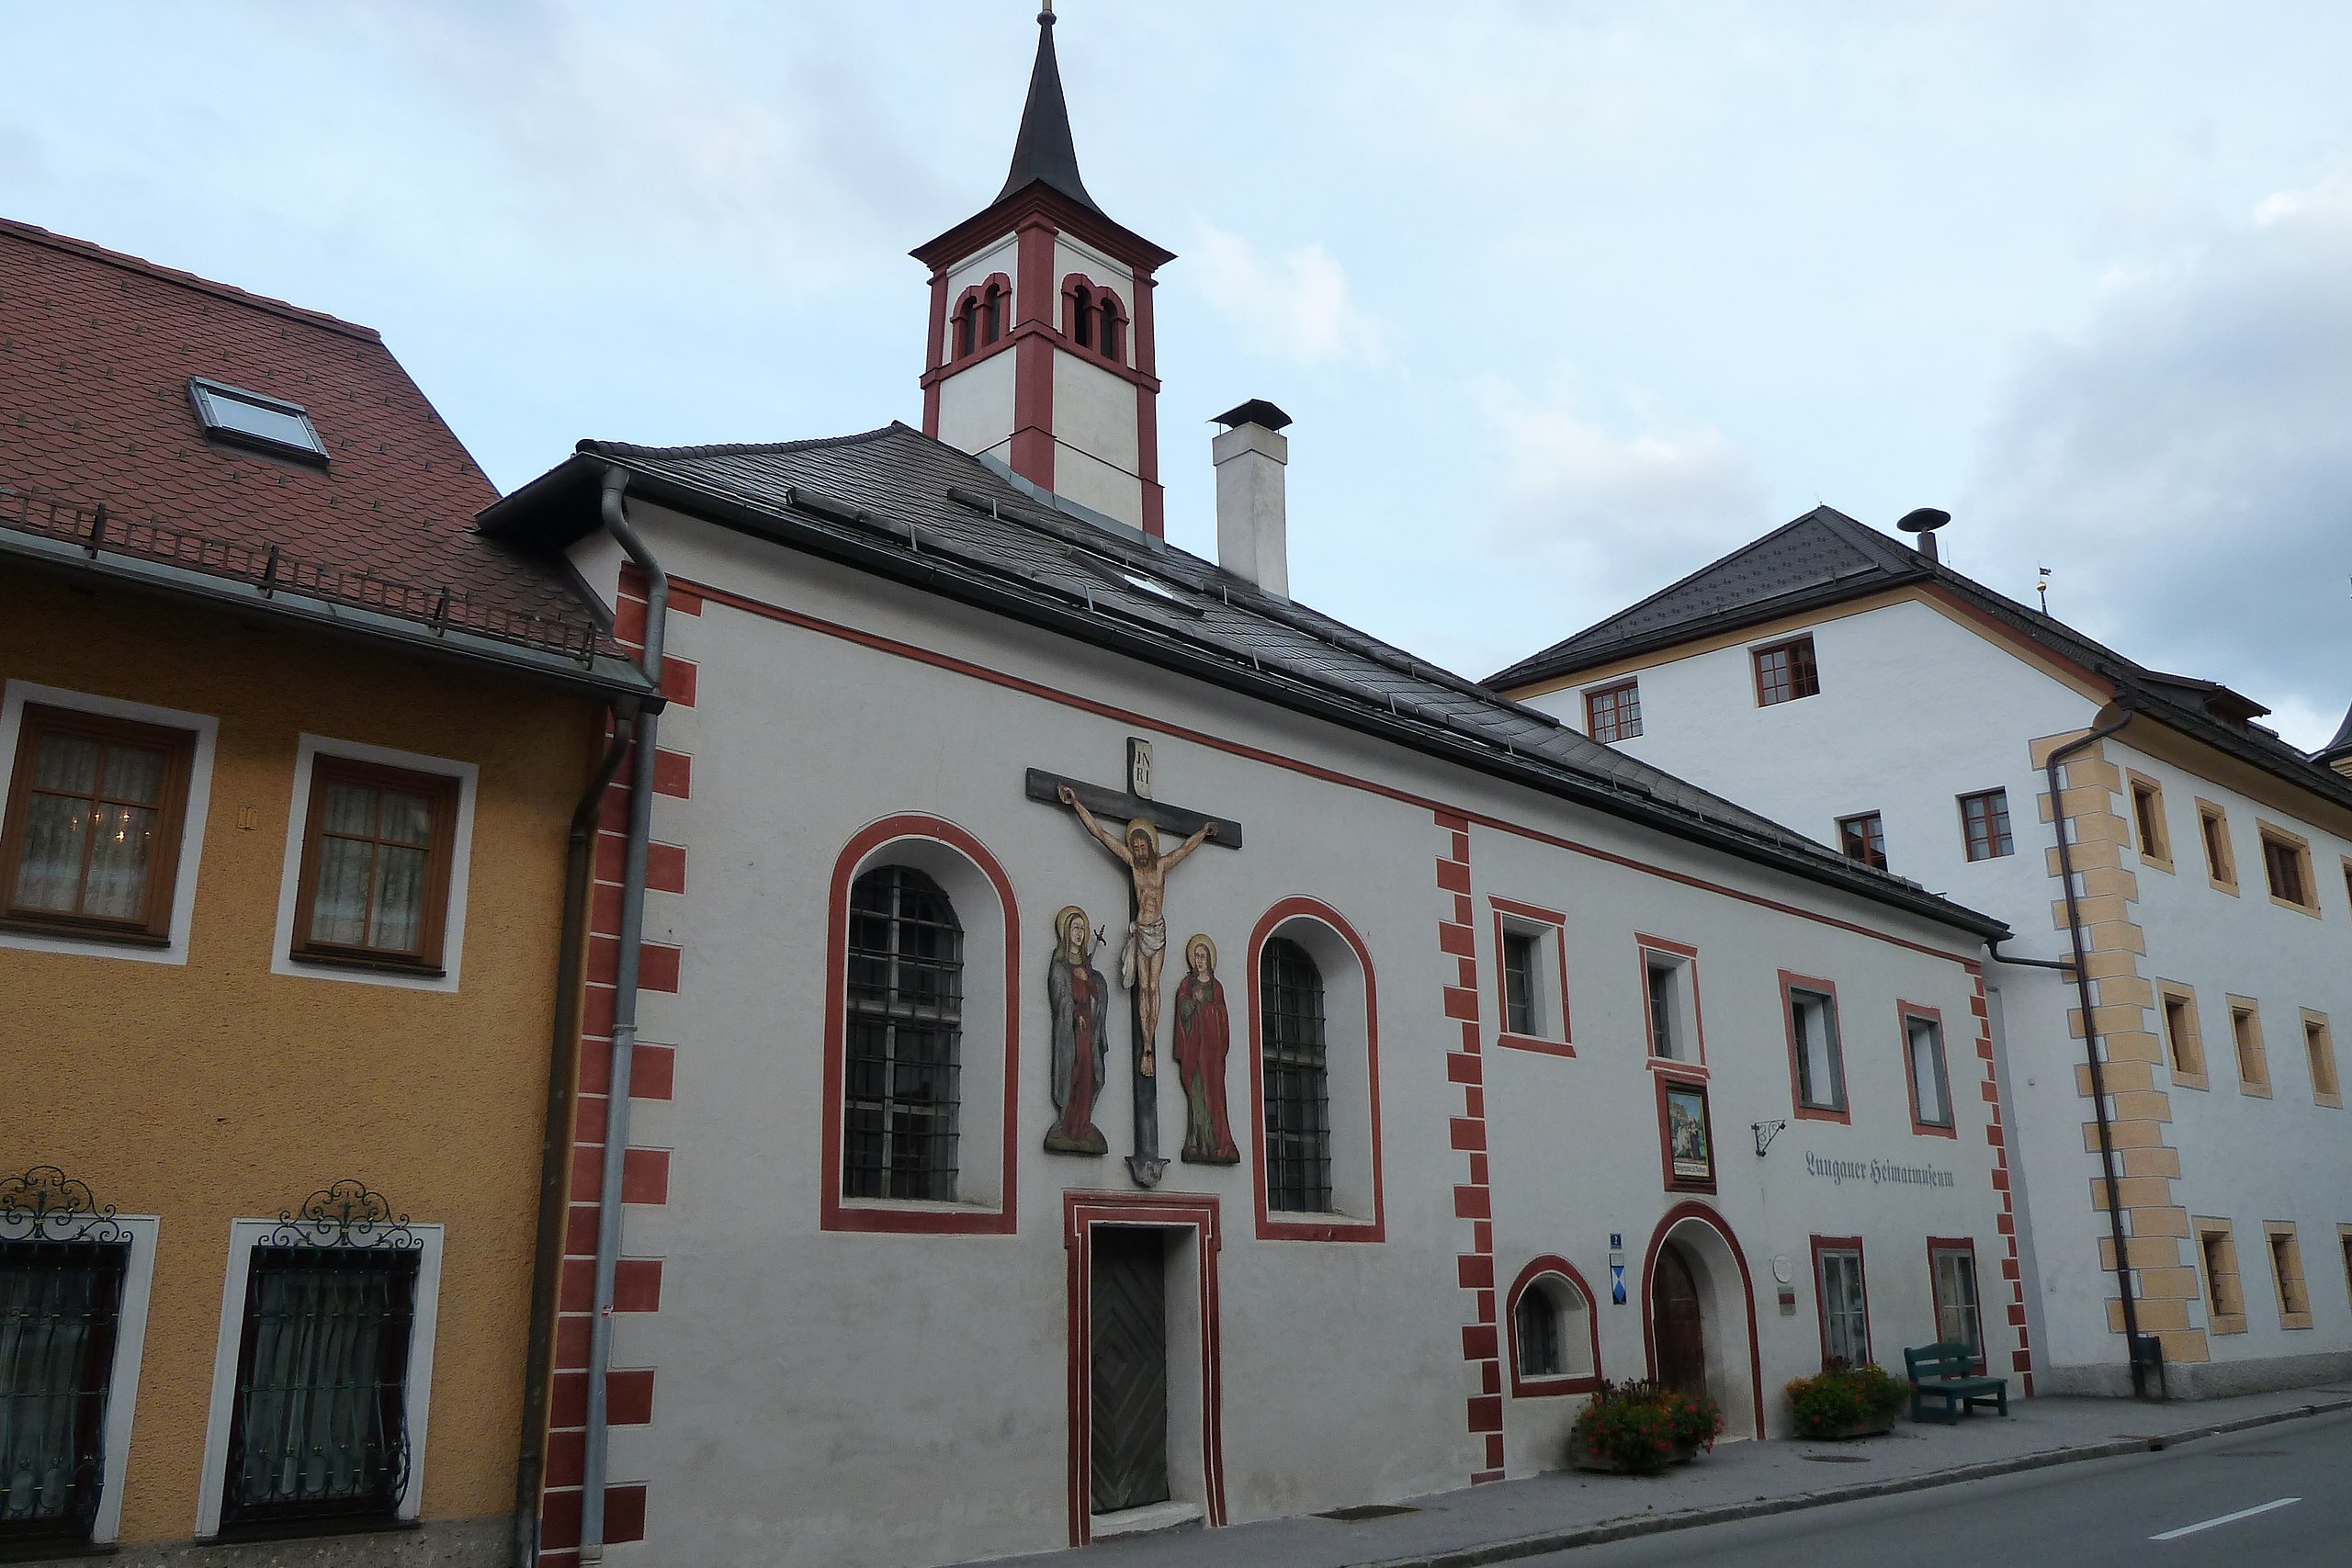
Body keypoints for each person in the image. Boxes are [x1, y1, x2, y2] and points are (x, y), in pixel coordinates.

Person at [1056, 785, 1215, 1077]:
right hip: (1142, 930)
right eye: (1136, 847)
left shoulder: (1162, 866)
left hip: (1159, 932)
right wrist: (1076, 804)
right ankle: (1147, 1047)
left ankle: (1151, 1041)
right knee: (1143, 989)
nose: (1139, 851)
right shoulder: (1132, 864)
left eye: (1143, 847)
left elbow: (1184, 849)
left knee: (1154, 987)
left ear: (1151, 846)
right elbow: (1100, 834)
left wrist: (1203, 833)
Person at [1044, 905, 1109, 1155]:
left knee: (1091, 1075)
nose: (1079, 933)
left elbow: (1099, 993)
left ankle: (1083, 1123)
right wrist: (1074, 1014)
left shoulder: (1089, 970)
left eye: (1082, 929)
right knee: (1074, 1073)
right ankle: (1068, 1123)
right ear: (1066, 932)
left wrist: (1089, 981)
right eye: (1075, 928)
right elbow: (1060, 999)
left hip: (1089, 1033)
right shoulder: (1060, 966)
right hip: (1071, 1033)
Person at [1171, 934, 1239, 1163]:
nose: (1200, 960)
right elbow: (1182, 1010)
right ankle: (1195, 1142)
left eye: (1203, 956)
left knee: (1214, 1098)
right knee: (1196, 1096)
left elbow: (1222, 1017)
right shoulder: (1187, 984)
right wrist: (1192, 1003)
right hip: (1194, 1050)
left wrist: (1206, 1006)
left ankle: (1217, 1143)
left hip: (1211, 1054)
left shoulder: (1216, 987)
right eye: (1197, 956)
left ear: (1209, 959)